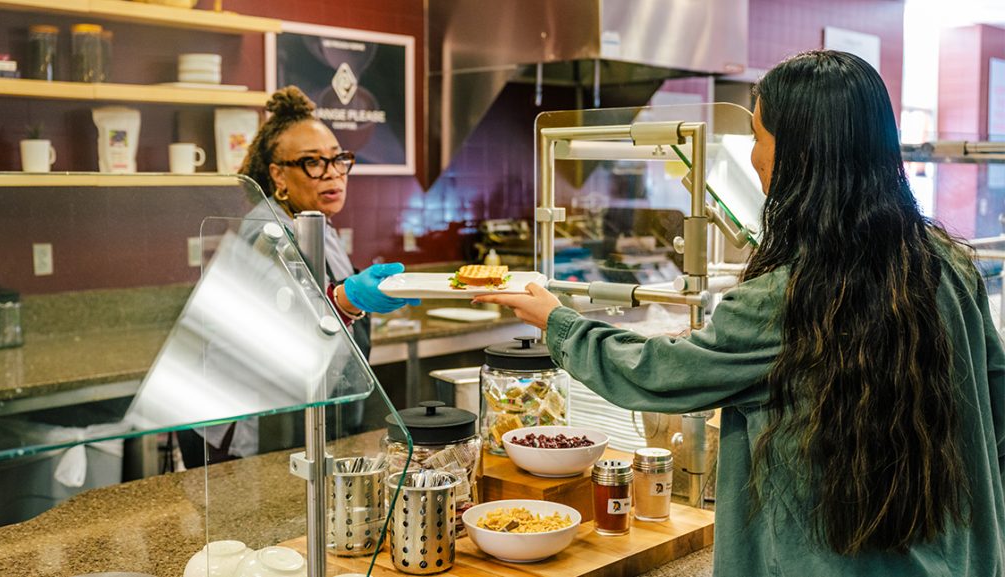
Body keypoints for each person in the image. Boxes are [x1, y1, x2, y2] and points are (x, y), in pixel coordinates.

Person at [475, 50, 1005, 575]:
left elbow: (658, 374)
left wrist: (558, 321)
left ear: (798, 154)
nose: (753, 157)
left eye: (757, 136)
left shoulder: (786, 298)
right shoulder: (951, 269)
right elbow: (998, 407)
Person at [178, 86, 417, 466]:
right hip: (237, 426)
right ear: (278, 175)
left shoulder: (314, 224)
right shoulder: (265, 231)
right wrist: (347, 299)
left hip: (292, 401)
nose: (332, 173)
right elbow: (285, 319)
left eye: (338, 159)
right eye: (312, 162)